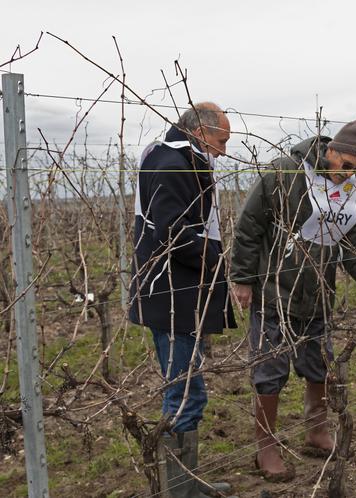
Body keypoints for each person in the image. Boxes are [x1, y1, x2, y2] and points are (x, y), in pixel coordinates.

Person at [230, 119, 356, 482]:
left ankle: (316, 430)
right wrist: (243, 279)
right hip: (275, 289)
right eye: (346, 165)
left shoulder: (348, 194)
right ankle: (266, 445)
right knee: (270, 371)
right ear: (330, 151)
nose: (349, 174)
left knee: (319, 365)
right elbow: (249, 227)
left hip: (319, 294)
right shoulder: (284, 174)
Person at [129, 102, 237, 497]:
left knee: (187, 389)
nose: (224, 150)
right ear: (200, 131)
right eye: (221, 140)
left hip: (181, 292)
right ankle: (179, 491)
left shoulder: (176, 156)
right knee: (184, 395)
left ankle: (186, 483)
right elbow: (172, 233)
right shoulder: (172, 164)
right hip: (172, 294)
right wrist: (217, 261)